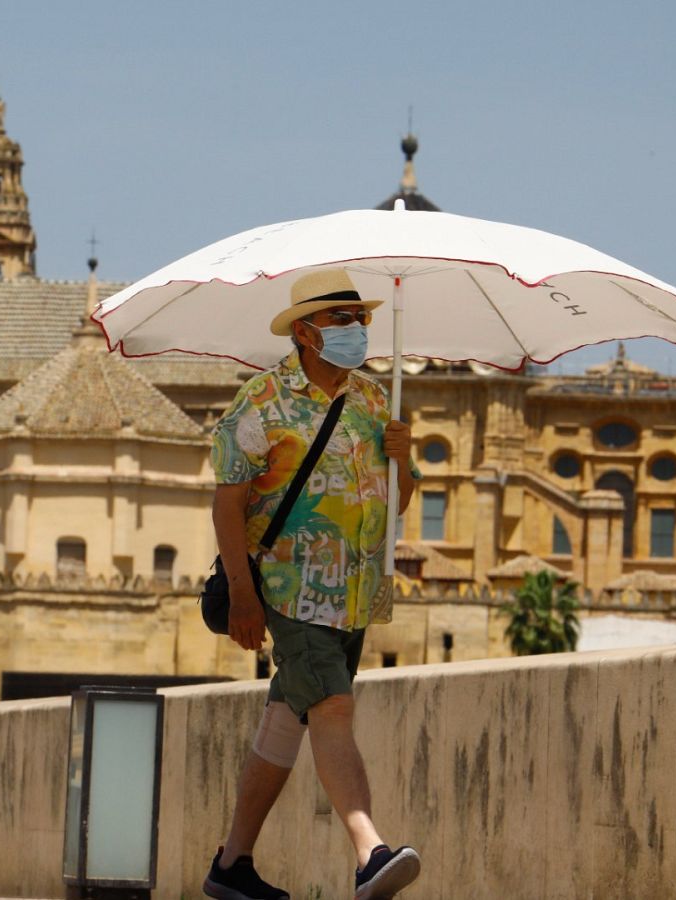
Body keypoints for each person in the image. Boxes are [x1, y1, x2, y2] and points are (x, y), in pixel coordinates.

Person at [203, 269, 422, 900]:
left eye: (361, 319)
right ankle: (369, 851)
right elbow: (227, 505)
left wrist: (404, 459)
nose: (357, 330)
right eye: (341, 319)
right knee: (332, 707)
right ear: (305, 331)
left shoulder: (374, 400)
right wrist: (244, 596)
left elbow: (399, 500)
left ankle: (232, 865)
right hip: (290, 590)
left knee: (286, 719)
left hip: (355, 595)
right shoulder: (262, 402)